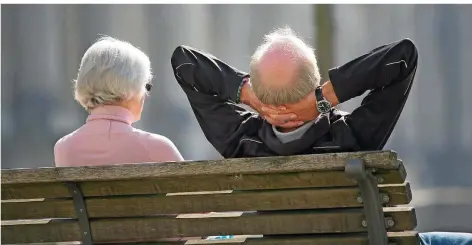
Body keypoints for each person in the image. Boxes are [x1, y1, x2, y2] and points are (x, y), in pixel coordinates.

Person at [170, 28, 472, 245]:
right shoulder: (351, 137)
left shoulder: (240, 141)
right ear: (315, 83)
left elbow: (184, 63)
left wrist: (249, 96)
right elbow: (403, 57)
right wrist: (325, 98)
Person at [55, 37, 183, 167]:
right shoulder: (159, 148)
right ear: (132, 86)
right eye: (146, 86)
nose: (145, 94)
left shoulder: (64, 148)